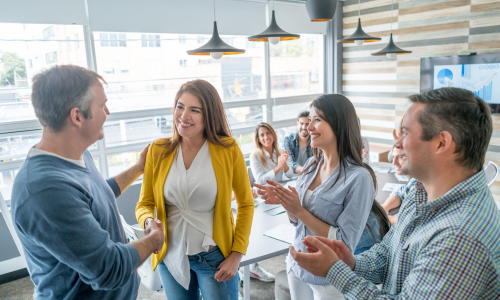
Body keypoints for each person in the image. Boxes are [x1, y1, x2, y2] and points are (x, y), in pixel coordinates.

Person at [289, 87, 500, 299]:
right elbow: (389, 253)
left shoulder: (459, 236)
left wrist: (335, 271)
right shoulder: (419, 193)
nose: (396, 146)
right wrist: (351, 263)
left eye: (405, 133)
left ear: (441, 143)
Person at [10, 65, 165, 300]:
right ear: (77, 116)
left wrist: (138, 169)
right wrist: (154, 239)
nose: (108, 112)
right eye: (102, 105)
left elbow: (95, 195)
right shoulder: (44, 190)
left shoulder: (74, 155)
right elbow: (109, 269)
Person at [135, 79, 254, 300]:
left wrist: (237, 255)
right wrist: (148, 221)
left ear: (209, 115)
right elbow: (144, 204)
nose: (183, 115)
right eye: (180, 106)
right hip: (169, 255)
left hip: (214, 259)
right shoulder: (158, 150)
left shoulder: (227, 150)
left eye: (194, 110)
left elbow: (246, 204)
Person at [255, 94, 376, 300]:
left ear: (339, 123)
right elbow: (296, 222)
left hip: (328, 278)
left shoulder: (359, 178)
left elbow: (343, 243)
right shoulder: (312, 164)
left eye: (317, 120)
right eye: (309, 120)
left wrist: (299, 210)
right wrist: (287, 203)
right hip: (296, 264)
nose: (309, 127)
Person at [381, 146, 412, 225]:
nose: (394, 163)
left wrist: (383, 218)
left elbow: (412, 222)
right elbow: (400, 193)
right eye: (393, 157)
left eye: (400, 157)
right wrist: (384, 207)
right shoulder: (412, 182)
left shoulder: (421, 185)